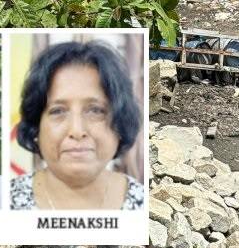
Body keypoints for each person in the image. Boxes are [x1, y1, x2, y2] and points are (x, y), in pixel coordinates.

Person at [11, 41, 144, 210]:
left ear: (120, 122)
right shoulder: (5, 204)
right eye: (58, 111)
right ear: (37, 125)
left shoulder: (143, 204)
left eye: (95, 110)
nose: (77, 130)